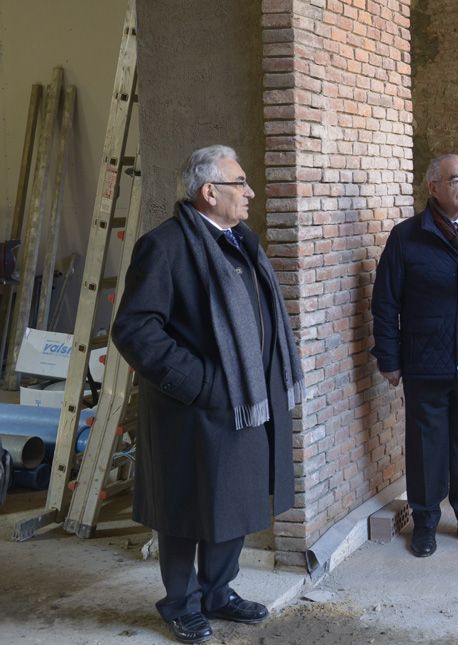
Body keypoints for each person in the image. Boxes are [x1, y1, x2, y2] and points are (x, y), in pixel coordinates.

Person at [112, 145, 305, 644]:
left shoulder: (241, 242)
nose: (251, 193)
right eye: (241, 183)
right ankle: (180, 602)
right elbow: (135, 330)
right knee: (185, 509)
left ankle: (218, 591)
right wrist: (199, 383)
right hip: (192, 410)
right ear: (209, 191)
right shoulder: (166, 246)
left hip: (244, 406)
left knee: (235, 504)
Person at [371, 153, 458, 558]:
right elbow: (385, 302)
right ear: (433, 187)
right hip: (425, 361)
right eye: (455, 180)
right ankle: (426, 521)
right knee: (425, 444)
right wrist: (389, 357)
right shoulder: (406, 237)